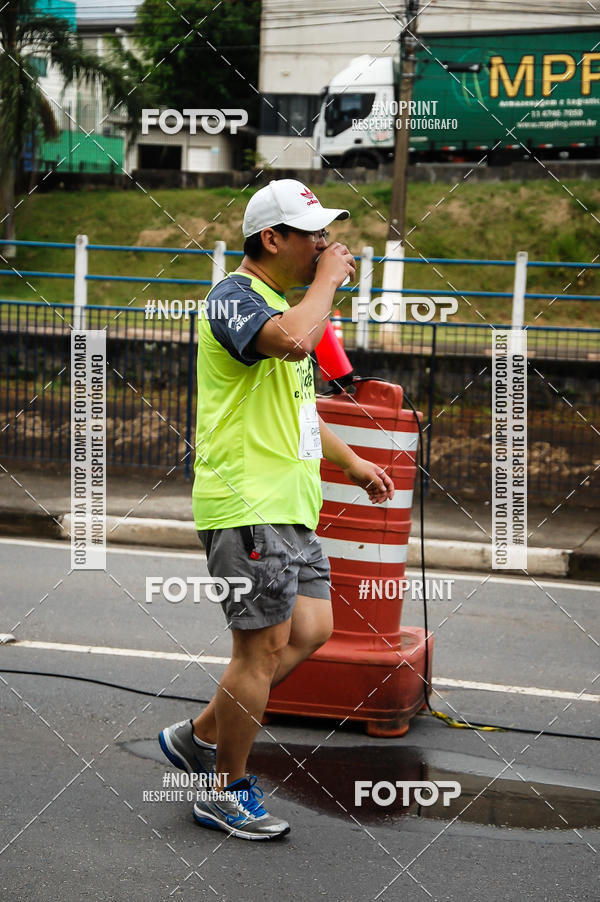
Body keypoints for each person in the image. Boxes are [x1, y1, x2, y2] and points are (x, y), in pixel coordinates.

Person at [158, 179, 394, 840]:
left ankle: (199, 734)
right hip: (245, 503)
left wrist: (350, 463)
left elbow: (299, 405)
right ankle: (224, 789)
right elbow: (293, 343)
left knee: (311, 630)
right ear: (272, 239)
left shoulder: (280, 306)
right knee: (258, 652)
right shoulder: (233, 298)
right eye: (312, 234)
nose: (325, 245)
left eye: (327, 235)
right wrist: (326, 283)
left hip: (290, 504)